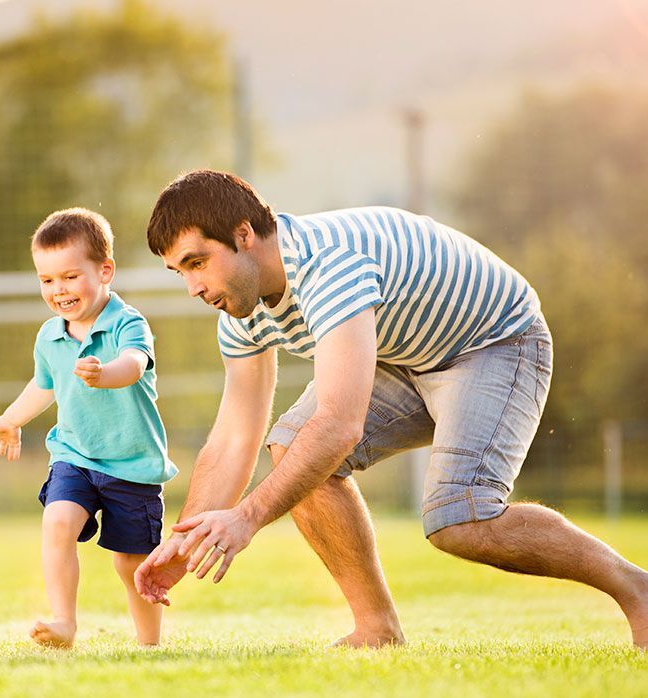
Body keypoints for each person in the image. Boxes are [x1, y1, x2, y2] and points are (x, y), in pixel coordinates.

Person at [133, 169, 648, 648]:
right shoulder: (241, 311)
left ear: (244, 235)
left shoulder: (328, 266)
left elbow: (338, 425)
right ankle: (376, 629)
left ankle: (637, 588)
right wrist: (186, 540)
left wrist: (246, 517)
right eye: (180, 271)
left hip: (493, 341)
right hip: (403, 355)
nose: (193, 287)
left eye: (197, 263)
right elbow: (232, 439)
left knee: (459, 519)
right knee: (292, 446)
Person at [0, 208, 177, 648]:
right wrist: (11, 418)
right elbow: (43, 384)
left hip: (132, 464)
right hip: (75, 455)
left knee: (131, 563)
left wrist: (104, 373)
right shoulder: (49, 335)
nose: (58, 290)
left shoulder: (128, 323)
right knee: (58, 521)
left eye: (69, 277)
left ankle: (148, 642)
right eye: (46, 280)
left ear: (105, 271)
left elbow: (134, 364)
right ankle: (64, 622)